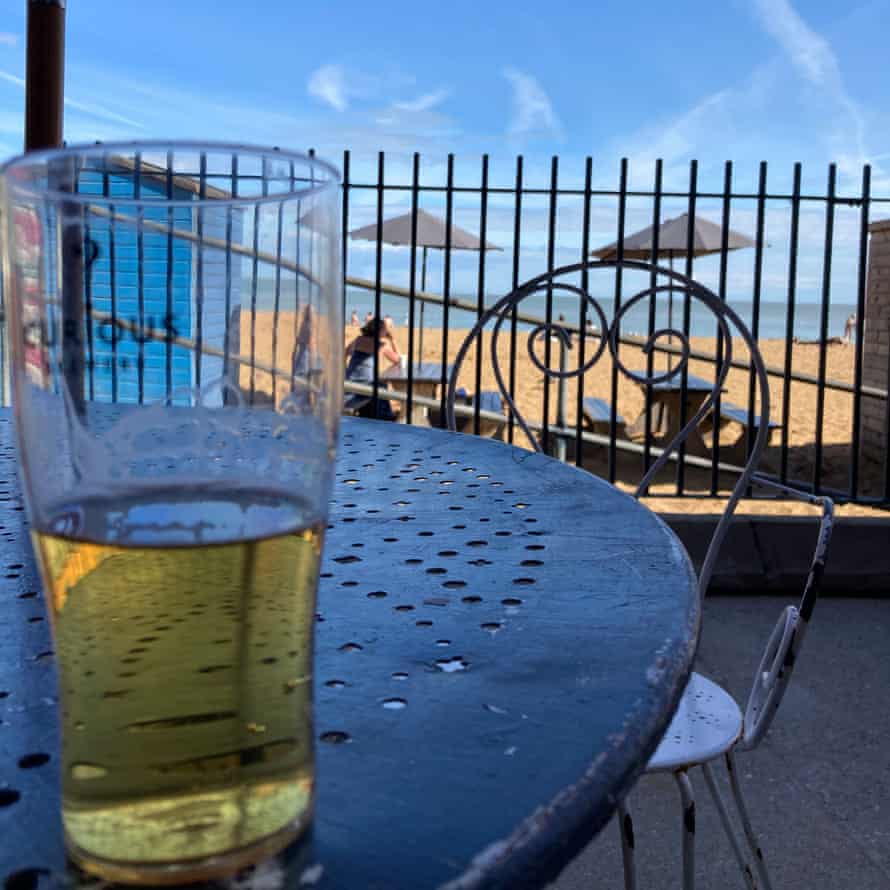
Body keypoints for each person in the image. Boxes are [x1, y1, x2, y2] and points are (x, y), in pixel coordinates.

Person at [344, 318, 401, 420]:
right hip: (366, 387)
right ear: (380, 330)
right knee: (382, 384)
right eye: (385, 329)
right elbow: (398, 360)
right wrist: (393, 340)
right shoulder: (381, 345)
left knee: (379, 384)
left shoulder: (358, 340)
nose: (386, 331)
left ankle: (380, 413)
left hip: (350, 384)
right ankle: (386, 415)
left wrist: (346, 370)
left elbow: (344, 353)